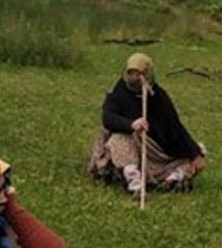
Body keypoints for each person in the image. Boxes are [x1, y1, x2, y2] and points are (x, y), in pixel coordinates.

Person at [88, 53, 207, 194]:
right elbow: (108, 117)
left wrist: (194, 153)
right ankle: (133, 179)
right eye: (131, 73)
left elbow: (175, 128)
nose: (134, 78)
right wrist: (131, 124)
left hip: (154, 151)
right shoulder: (119, 91)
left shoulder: (159, 97)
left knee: (196, 155)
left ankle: (172, 178)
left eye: (139, 74)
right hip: (129, 144)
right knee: (118, 140)